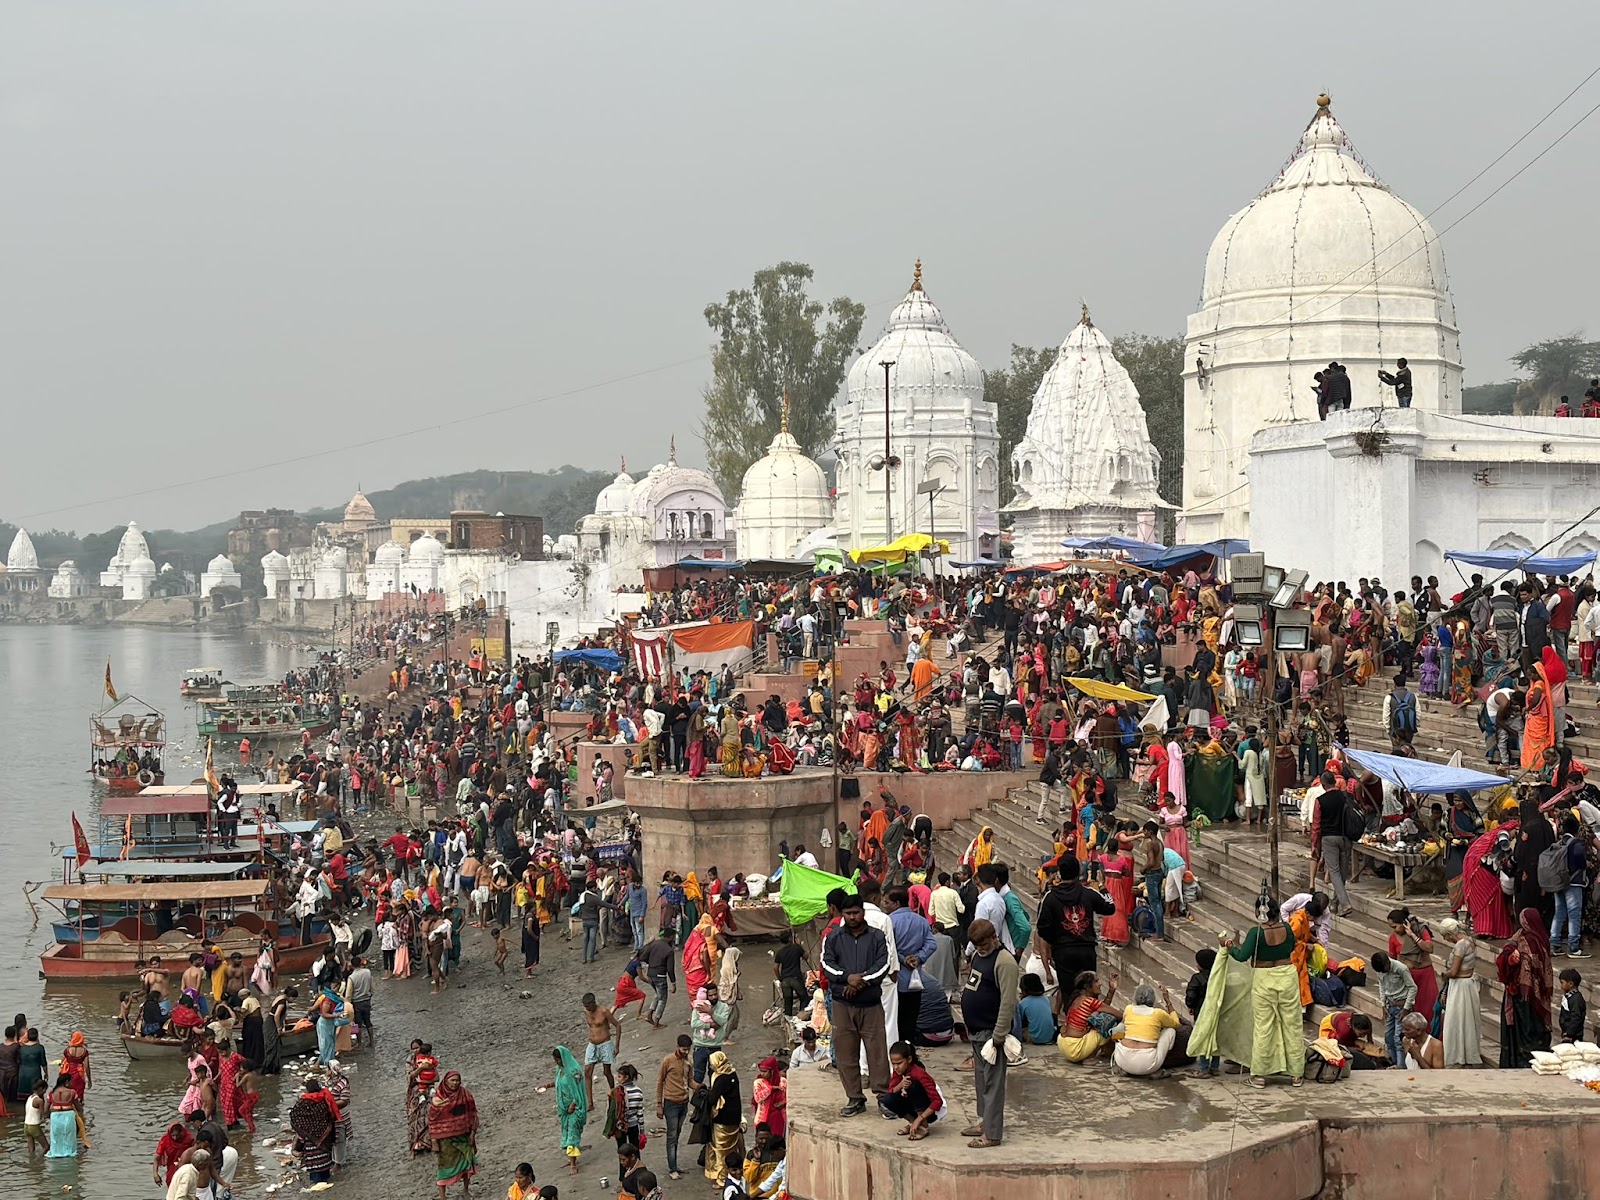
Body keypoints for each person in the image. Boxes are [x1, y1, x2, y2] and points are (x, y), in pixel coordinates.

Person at [1221, 890, 1304, 1089]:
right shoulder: (1287, 928)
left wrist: (1228, 946)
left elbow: (1241, 957)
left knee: (1264, 1026)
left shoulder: (1256, 933)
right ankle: (1296, 1075)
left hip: (1264, 979)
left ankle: (1259, 1075)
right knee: (1292, 1024)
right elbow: (1291, 948)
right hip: (1287, 976)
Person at [820, 892, 891, 1117]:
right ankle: (854, 1098)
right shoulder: (833, 938)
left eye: (856, 913)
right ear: (842, 914)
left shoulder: (877, 936)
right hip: (842, 1005)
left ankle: (883, 1097)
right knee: (846, 1055)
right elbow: (826, 965)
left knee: (877, 1052)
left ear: (863, 912)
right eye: (848, 913)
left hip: (870, 1005)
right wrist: (846, 977)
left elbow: (884, 965)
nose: (852, 917)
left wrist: (861, 981)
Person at [960, 917, 1019, 1149]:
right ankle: (984, 1121)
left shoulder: (1004, 962)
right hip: (975, 1031)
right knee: (981, 1080)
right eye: (977, 946)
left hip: (991, 1032)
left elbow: (1007, 1002)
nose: (981, 949)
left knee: (993, 1084)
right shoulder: (977, 956)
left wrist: (999, 1035)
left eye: (984, 945)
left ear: (994, 938)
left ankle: (993, 1133)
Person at [1034, 855, 1118, 987]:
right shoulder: (1088, 893)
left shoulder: (1050, 898)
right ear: (1079, 872)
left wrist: (1057, 941)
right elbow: (1110, 907)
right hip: (1086, 951)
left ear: (1059, 873)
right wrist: (1102, 886)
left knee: (1068, 994)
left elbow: (1042, 929)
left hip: (1063, 952)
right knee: (1089, 995)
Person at [1497, 907, 1554, 1068]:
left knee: (1524, 1029)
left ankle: (1521, 1061)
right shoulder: (1541, 938)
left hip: (1523, 995)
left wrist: (1511, 959)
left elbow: (1514, 960)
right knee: (1531, 1027)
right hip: (1533, 993)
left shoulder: (1527, 940)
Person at [1436, 918, 1482, 1067]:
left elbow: (1454, 971)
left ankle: (1457, 1054)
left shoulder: (1460, 946)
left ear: (1450, 934)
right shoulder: (1470, 941)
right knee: (1466, 1021)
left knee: (1457, 1021)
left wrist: (1444, 975)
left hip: (1460, 986)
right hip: (1467, 984)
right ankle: (1466, 1053)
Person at [1112, 983, 1181, 1078]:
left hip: (1123, 1061)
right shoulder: (1159, 1013)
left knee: (1120, 1027)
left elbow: (1120, 1029)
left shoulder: (1128, 1009)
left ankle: (1118, 1065)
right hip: (1148, 1065)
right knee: (1170, 1030)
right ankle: (1157, 1068)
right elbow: (1176, 1024)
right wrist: (1168, 1001)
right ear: (1153, 999)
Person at [877, 1041, 944, 1140]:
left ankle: (923, 1125)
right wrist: (900, 1085)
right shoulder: (898, 1072)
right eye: (893, 1064)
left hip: (930, 1111)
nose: (896, 1067)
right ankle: (912, 1122)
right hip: (912, 1107)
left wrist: (920, 1118)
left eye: (899, 1063)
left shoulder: (919, 1074)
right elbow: (891, 1091)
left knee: (913, 1085)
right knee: (888, 1099)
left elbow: (937, 1102)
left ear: (909, 1059)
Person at [429, 1071, 480, 1196]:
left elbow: (473, 1114)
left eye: (457, 1080)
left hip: (464, 1137)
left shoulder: (465, 1094)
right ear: (446, 1081)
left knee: (467, 1164)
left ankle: (466, 1191)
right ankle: (442, 1197)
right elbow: (432, 1120)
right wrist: (434, 1140)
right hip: (446, 1141)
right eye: (452, 1080)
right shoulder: (439, 1098)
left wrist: (472, 1133)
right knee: (444, 1168)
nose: (455, 1083)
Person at [704, 1050, 745, 1184]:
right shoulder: (732, 1073)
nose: (711, 1066)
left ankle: (722, 1178)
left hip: (723, 1119)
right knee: (730, 1147)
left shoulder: (721, 1078)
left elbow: (712, 1098)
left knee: (721, 1149)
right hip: (734, 1118)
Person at [1372, 951, 1418, 1067]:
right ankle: (1393, 1062)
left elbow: (1413, 988)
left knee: (1398, 1039)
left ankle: (1401, 1066)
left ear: (1388, 962)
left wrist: (1406, 1008)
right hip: (1389, 1006)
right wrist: (1383, 1004)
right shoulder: (1380, 971)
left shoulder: (1401, 969)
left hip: (1401, 1007)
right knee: (1388, 1037)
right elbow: (1382, 986)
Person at [656, 1034, 692, 1181]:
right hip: (670, 1103)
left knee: (676, 1134)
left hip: (684, 1102)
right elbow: (660, 1083)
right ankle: (672, 1168)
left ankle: (675, 1165)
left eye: (688, 1049)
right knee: (672, 1136)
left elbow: (690, 1081)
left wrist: (701, 1088)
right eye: (684, 1049)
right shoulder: (668, 1061)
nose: (686, 1052)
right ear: (677, 1047)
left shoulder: (689, 1061)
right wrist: (659, 1105)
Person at [289, 1081, 338, 1185]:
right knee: (324, 1161)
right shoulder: (323, 1100)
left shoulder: (303, 1103)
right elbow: (330, 1116)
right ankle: (326, 1182)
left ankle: (317, 1186)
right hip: (323, 1138)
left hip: (310, 1139)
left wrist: (303, 1132)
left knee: (314, 1164)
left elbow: (294, 1116)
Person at [581, 992, 621, 1108]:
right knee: (587, 1072)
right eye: (585, 1007)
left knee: (607, 1071)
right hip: (592, 1044)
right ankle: (590, 1103)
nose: (587, 1009)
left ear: (594, 1003)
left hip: (605, 1043)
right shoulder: (586, 1012)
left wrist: (617, 1046)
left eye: (588, 1006)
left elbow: (617, 1025)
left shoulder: (604, 1011)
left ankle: (613, 1094)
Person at [553, 1046, 589, 1174]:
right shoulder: (560, 1070)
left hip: (574, 1108)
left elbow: (578, 1089)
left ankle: (573, 1164)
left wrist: (573, 1104)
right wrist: (548, 1085)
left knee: (572, 1135)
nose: (557, 1062)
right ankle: (571, 1158)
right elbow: (559, 1083)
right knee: (567, 1132)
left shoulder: (574, 1071)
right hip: (564, 1109)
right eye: (556, 1060)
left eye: (558, 1059)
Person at [772, 930, 810, 1018]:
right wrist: (799, 944)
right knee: (804, 998)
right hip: (796, 978)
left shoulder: (780, 952)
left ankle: (787, 1021)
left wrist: (780, 979)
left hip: (785, 980)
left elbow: (775, 968)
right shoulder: (796, 947)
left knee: (788, 1003)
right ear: (790, 939)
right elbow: (806, 956)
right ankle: (801, 1017)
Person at [1012, 974, 1058, 1045]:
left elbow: (1018, 1022)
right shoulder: (1045, 998)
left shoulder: (1024, 1003)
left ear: (1025, 990)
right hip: (1050, 1037)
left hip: (1035, 1039)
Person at [44, 1072, 78, 1158]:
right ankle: (69, 1152)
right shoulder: (72, 1092)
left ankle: (56, 1152)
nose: (72, 1083)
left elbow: (46, 1109)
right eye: (71, 1081)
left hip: (55, 1116)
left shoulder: (51, 1093)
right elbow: (79, 1107)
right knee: (69, 1137)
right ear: (67, 1082)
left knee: (56, 1137)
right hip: (68, 1116)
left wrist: (47, 1116)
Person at [751, 1056, 786, 1139]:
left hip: (778, 1118)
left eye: (765, 1072)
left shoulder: (783, 1082)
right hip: (763, 1118)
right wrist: (771, 1088)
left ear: (772, 1071)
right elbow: (758, 1098)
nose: (762, 1074)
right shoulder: (758, 1082)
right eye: (761, 1071)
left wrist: (784, 1102)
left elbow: (790, 1097)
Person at [1559, 968, 1588, 1043]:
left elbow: (1576, 1017)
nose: (1561, 985)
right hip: (1567, 1032)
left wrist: (1569, 1033)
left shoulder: (1576, 1000)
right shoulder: (1569, 996)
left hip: (1573, 1035)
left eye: (1562, 983)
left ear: (1570, 984)